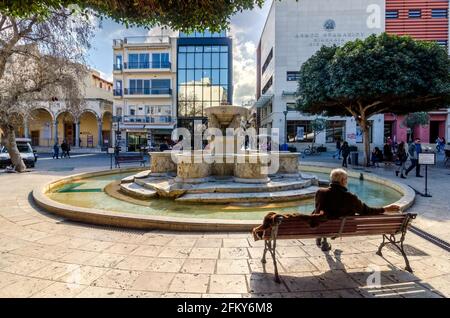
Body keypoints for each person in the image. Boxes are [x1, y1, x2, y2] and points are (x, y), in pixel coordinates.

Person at [313, 169, 400, 251]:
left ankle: (323, 238)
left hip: (321, 227)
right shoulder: (350, 197)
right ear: (343, 181)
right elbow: (366, 211)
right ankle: (333, 234)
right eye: (346, 179)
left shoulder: (320, 192)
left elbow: (317, 209)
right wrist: (385, 209)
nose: (347, 182)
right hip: (343, 228)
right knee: (346, 212)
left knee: (321, 211)